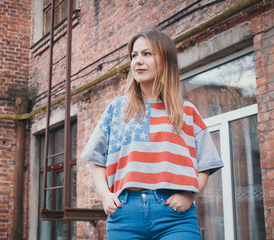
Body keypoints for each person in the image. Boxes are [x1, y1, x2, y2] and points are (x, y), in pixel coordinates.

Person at [81, 30, 224, 239]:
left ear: (165, 60)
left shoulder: (188, 112)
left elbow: (205, 164)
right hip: (124, 216)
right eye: (134, 55)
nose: (138, 61)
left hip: (176, 218)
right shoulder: (116, 109)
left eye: (147, 54)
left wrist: (190, 195)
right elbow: (96, 160)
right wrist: (104, 195)